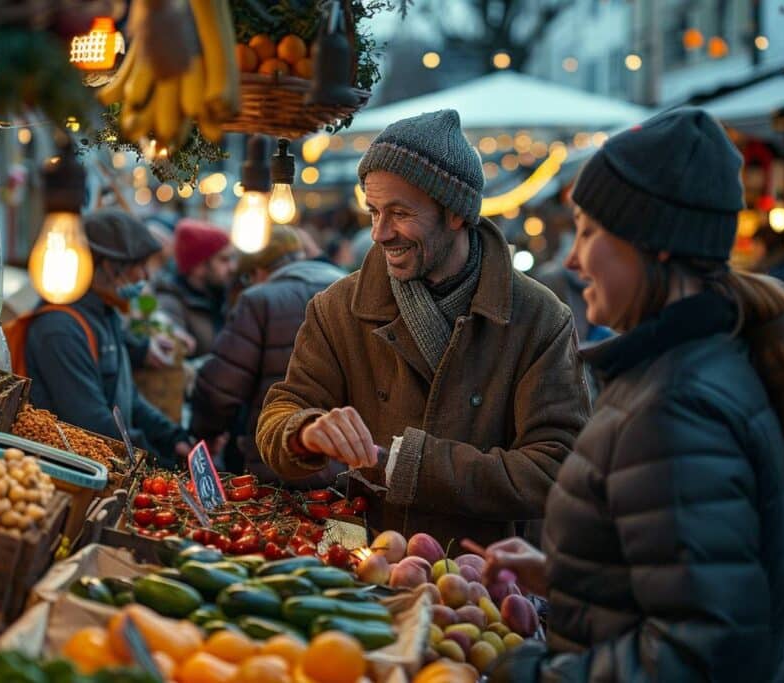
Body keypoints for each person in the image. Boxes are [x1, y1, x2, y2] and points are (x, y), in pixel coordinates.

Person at [483, 108, 784, 682]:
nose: (571, 258)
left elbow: (701, 654)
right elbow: (689, 585)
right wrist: (571, 578)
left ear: (656, 244)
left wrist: (532, 674)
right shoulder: (692, 367)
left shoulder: (675, 405)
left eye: (589, 231)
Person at [256, 109, 591, 544]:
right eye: (374, 211)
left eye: (398, 212)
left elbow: (558, 469)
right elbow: (277, 415)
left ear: (455, 212)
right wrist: (303, 431)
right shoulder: (337, 308)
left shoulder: (539, 318)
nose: (379, 233)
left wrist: (414, 465)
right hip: (359, 563)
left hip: (480, 580)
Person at [23, 209, 192, 461]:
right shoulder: (59, 329)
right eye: (140, 266)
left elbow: (129, 399)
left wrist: (173, 437)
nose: (146, 276)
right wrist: (157, 460)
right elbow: (92, 422)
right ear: (110, 267)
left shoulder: (107, 313)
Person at [191, 226, 346, 482]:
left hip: (281, 459)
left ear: (257, 270)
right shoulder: (347, 289)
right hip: (346, 461)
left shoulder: (258, 300)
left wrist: (205, 434)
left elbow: (220, 389)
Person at [154, 218, 236, 358]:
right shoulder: (170, 303)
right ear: (199, 266)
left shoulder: (222, 295)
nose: (232, 267)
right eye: (223, 259)